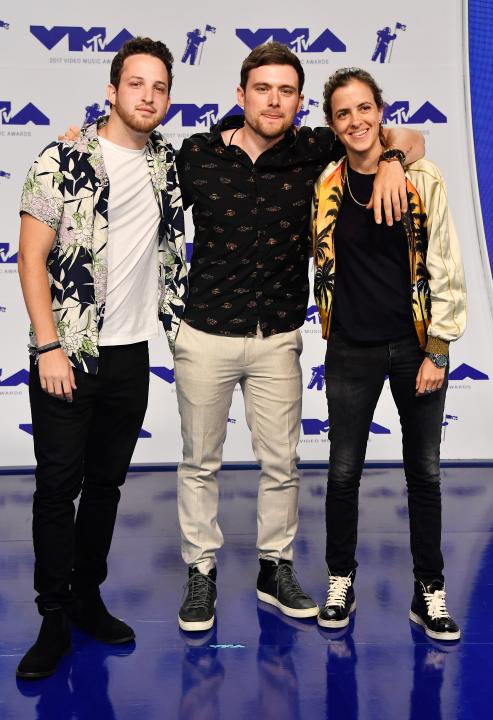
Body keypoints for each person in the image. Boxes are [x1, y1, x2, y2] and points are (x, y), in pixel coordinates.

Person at [173, 43, 425, 632]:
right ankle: (201, 572)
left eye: (286, 91)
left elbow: (409, 138)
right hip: (206, 332)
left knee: (282, 463)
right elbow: (133, 166)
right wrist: (80, 139)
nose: (273, 101)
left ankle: (275, 568)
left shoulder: (316, 148)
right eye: (262, 89)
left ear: (300, 101)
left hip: (278, 336)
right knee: (199, 463)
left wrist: (392, 160)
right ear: (241, 95)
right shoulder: (197, 154)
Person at [16, 37, 187, 678]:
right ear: (112, 91)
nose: (148, 96)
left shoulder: (168, 164)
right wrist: (48, 346)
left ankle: (87, 597)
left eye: (159, 87)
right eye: (136, 83)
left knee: (106, 487)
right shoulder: (59, 158)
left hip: (130, 356)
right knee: (57, 489)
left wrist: (398, 151)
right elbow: (30, 258)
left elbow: (250, 139)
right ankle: (53, 616)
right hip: (68, 353)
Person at [311, 68, 466, 639]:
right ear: (332, 124)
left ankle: (429, 590)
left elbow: (445, 262)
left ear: (381, 111)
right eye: (343, 112)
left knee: (424, 473)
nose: (356, 120)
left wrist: (439, 348)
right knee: (342, 473)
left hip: (414, 347)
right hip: (350, 349)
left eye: (364, 108)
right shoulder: (326, 181)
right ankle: (340, 580)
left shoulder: (421, 176)